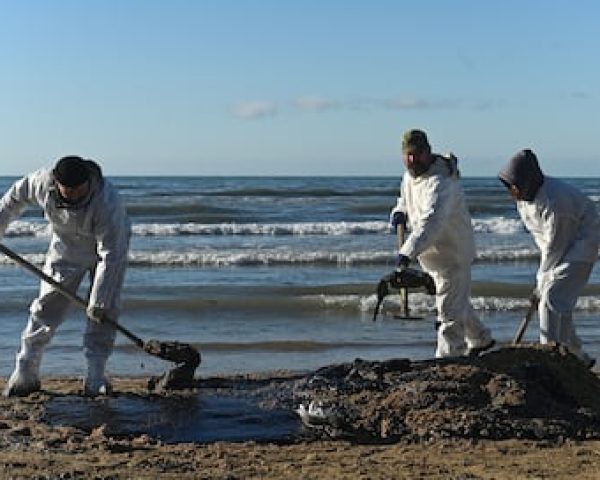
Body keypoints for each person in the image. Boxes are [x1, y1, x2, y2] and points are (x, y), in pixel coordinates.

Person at [0, 156, 131, 396]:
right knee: (45, 307)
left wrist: (99, 301)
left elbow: (111, 256)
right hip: (66, 249)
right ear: (56, 182)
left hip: (108, 251)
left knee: (104, 312)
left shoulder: (107, 202)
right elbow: (13, 199)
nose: (73, 194)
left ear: (88, 183)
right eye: (67, 190)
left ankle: (95, 374)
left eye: (79, 190)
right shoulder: (41, 182)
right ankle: (26, 369)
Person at [389, 129, 494, 358]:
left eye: (416, 154)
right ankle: (481, 338)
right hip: (432, 256)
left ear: (428, 152)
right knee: (456, 300)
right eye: (407, 155)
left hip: (453, 253)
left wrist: (407, 251)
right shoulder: (410, 176)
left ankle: (449, 358)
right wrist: (399, 212)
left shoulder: (442, 182)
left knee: (448, 310)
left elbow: (432, 222)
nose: (411, 160)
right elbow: (405, 201)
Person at [498, 149, 600, 367]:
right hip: (559, 243)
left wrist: (542, 280)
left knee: (552, 299)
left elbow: (557, 245)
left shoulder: (556, 203)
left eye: (514, 185)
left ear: (528, 180)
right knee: (558, 300)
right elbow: (544, 239)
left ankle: (551, 354)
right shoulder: (525, 196)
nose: (511, 191)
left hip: (583, 242)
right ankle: (577, 355)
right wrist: (542, 279)